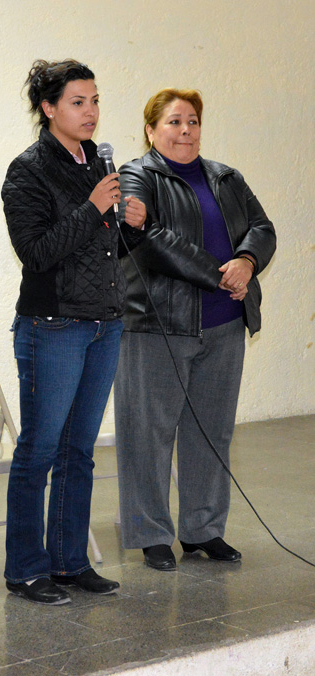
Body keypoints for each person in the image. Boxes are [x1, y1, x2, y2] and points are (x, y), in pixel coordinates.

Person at [1, 59, 145, 605]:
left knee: (78, 451)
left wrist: (133, 223)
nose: (90, 112)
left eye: (95, 101)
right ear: (49, 108)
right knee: (39, 450)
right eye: (78, 102)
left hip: (104, 324)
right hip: (53, 324)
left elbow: (104, 252)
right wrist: (93, 209)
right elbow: (36, 253)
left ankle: (69, 562)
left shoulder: (99, 167)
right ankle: (25, 568)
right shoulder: (28, 170)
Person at [114, 88, 276, 571]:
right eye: (174, 122)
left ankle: (204, 530)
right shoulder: (134, 176)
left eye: (193, 121)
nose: (186, 131)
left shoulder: (225, 176)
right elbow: (147, 239)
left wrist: (246, 261)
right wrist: (220, 274)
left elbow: (262, 226)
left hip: (225, 322)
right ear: (150, 129)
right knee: (149, 434)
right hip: (160, 324)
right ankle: (151, 534)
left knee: (212, 433)